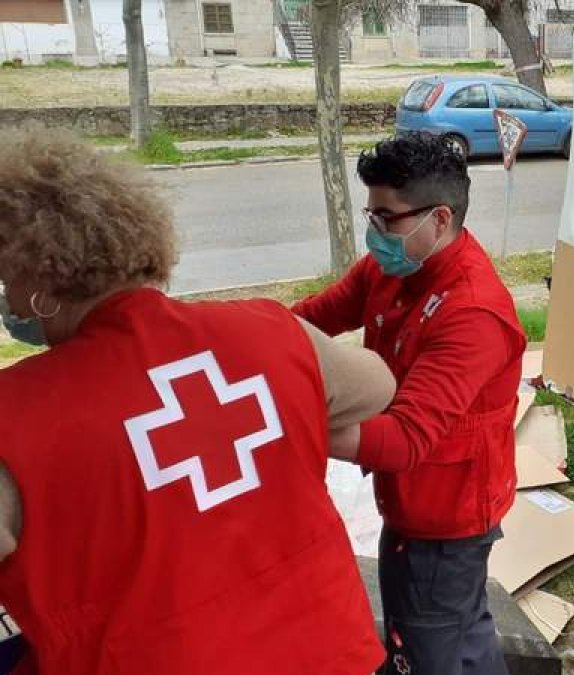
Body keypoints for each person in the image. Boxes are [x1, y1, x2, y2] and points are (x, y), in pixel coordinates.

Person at [0, 131, 394, 674]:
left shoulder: (14, 416)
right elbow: (378, 386)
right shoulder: (269, 330)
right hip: (327, 651)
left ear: (33, 278)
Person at [293, 132, 526, 675]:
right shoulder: (392, 267)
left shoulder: (473, 313)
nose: (373, 231)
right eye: (370, 214)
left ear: (439, 219)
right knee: (454, 631)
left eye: (387, 217)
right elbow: (311, 318)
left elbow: (405, 438)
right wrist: (233, 336)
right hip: (409, 501)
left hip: (447, 517)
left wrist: (290, 425)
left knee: (432, 642)